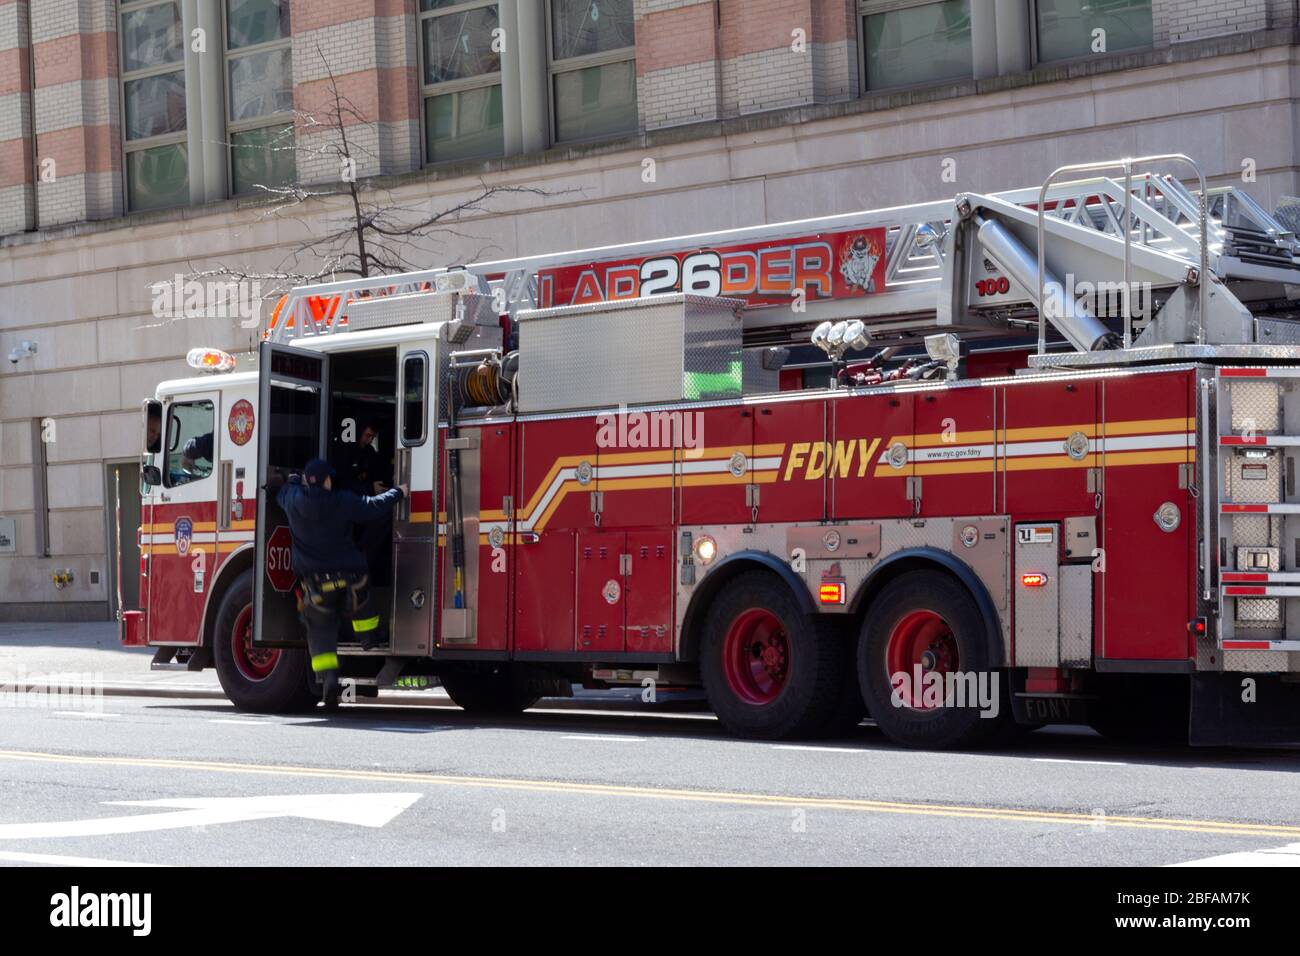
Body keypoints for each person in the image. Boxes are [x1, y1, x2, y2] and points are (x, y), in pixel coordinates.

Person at [277, 458, 407, 706]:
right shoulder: (342, 501)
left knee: (320, 632)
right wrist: (398, 492)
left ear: (306, 480)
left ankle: (329, 680)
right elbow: (373, 507)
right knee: (362, 602)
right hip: (350, 579)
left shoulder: (292, 500)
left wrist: (292, 480)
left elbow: (282, 492)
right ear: (327, 480)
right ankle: (368, 638)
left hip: (315, 586)